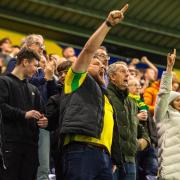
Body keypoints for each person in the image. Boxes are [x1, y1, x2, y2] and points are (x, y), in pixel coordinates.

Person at [58, 4, 129, 180]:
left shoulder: (105, 95)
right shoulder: (77, 80)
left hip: (104, 158)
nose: (103, 67)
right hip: (81, 151)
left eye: (104, 65)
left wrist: (113, 157)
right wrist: (108, 24)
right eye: (96, 63)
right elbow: (88, 51)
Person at [0, 48, 48, 180]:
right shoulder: (3, 81)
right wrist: (24, 114)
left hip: (31, 150)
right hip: (9, 146)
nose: (37, 70)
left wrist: (44, 121)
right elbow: (1, 107)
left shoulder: (34, 90)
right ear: (25, 62)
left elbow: (42, 113)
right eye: (35, 65)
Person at [107, 61, 150, 180]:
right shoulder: (104, 96)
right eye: (122, 71)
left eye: (128, 72)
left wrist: (145, 141)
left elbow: (141, 128)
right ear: (112, 77)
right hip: (110, 159)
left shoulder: (132, 102)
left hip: (130, 160)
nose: (127, 74)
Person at [154, 49, 180, 179]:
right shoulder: (163, 114)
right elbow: (163, 94)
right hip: (169, 173)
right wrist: (169, 69)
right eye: (177, 100)